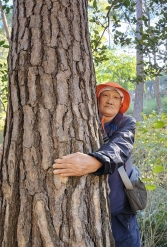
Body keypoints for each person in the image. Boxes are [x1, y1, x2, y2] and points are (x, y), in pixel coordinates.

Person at [53, 82, 141, 247]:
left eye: (116, 97)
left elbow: (121, 146)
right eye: (105, 95)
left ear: (121, 103)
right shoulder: (84, 119)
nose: (110, 100)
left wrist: (95, 162)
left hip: (120, 207)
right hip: (89, 210)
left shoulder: (126, 122)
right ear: (97, 99)